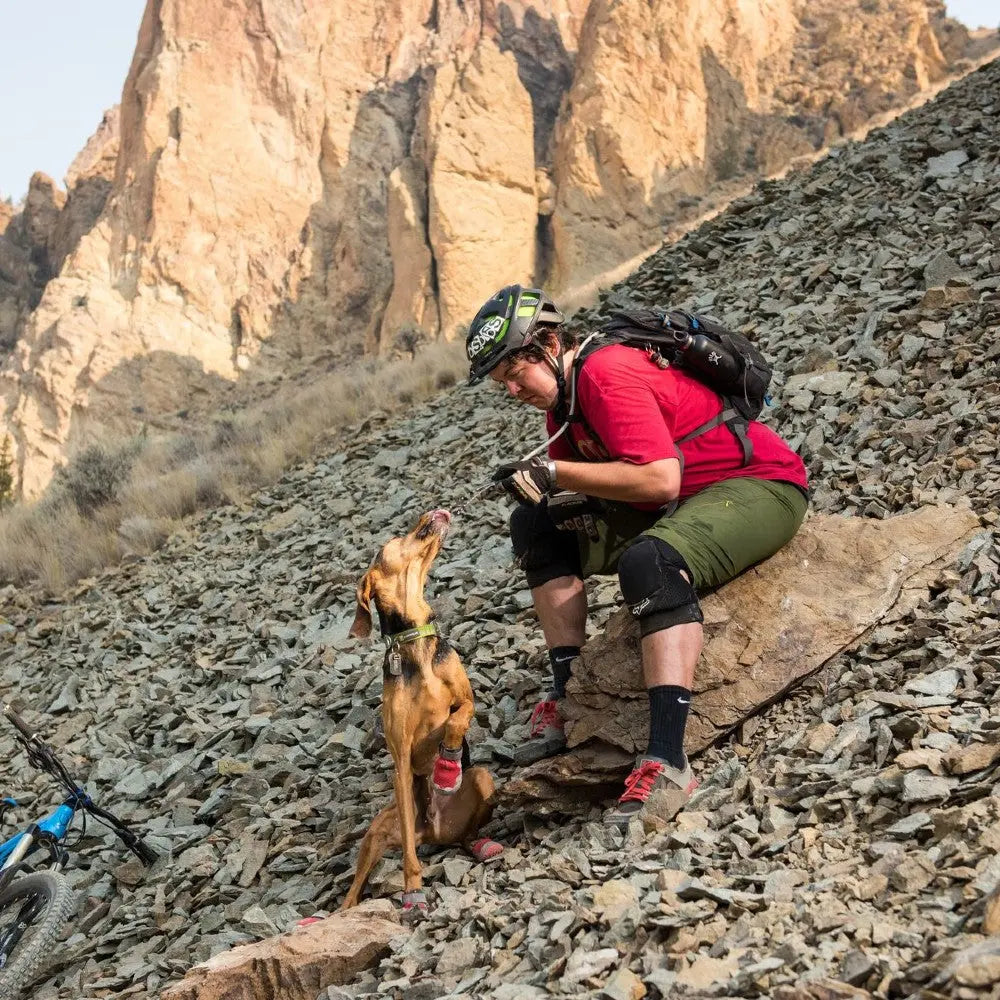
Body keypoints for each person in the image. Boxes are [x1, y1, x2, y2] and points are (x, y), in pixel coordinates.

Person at [466, 285, 809, 828]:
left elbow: (657, 478)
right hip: (685, 499)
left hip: (757, 485)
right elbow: (596, 484)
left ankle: (668, 758)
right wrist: (551, 495)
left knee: (648, 564)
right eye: (500, 383)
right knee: (536, 525)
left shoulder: (606, 374)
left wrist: (555, 474)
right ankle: (568, 696)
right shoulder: (566, 400)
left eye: (514, 374)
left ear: (549, 344)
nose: (511, 390)